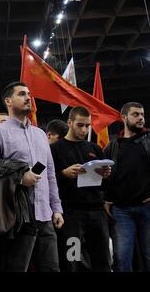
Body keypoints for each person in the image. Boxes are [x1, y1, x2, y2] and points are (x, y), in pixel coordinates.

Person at [0, 81, 64, 272]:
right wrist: (18, 177)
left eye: (29, 94)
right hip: (17, 218)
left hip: (45, 216)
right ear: (8, 101)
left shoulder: (40, 134)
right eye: (22, 94)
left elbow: (50, 174)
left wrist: (56, 208)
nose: (28, 98)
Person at [50, 106, 111, 271]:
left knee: (102, 260)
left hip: (97, 213)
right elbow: (45, 180)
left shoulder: (95, 149)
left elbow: (106, 185)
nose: (84, 129)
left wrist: (105, 175)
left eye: (87, 125)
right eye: (80, 125)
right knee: (73, 261)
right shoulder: (55, 149)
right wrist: (63, 173)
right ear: (69, 122)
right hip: (71, 215)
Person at [103, 102, 150, 272]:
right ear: (124, 118)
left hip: (147, 207)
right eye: (136, 114)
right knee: (122, 259)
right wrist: (106, 198)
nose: (141, 118)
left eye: (142, 115)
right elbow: (105, 177)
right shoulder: (113, 146)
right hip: (121, 210)